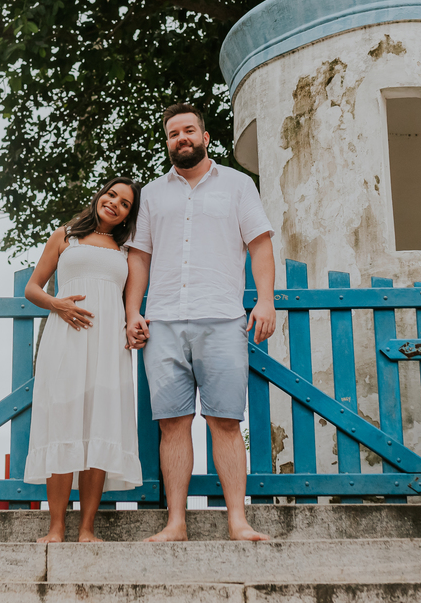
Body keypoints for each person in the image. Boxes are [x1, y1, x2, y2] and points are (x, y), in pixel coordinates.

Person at [125, 103, 277, 543]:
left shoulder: (237, 184)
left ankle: (238, 522)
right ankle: (175, 523)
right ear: (168, 142)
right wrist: (133, 312)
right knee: (172, 423)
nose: (181, 138)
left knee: (226, 421)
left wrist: (264, 302)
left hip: (223, 318)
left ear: (206, 137)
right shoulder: (152, 193)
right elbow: (140, 256)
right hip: (165, 322)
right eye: (173, 134)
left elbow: (260, 245)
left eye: (189, 130)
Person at [23, 177, 144, 543]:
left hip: (109, 347)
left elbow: (132, 304)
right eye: (111, 194)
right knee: (62, 424)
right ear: (99, 196)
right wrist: (57, 303)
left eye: (124, 203)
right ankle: (56, 527)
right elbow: (31, 288)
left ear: (127, 216)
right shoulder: (66, 236)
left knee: (99, 427)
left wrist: (132, 325)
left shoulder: (128, 251)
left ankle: (87, 528)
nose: (114, 203)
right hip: (66, 341)